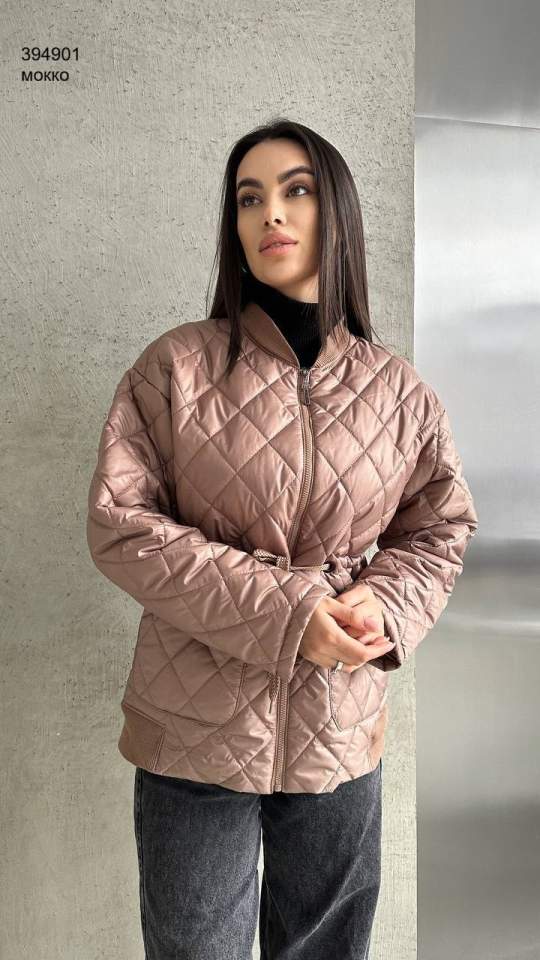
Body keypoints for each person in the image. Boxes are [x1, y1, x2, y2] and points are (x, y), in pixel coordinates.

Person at [86, 117, 478, 959]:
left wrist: (382, 603)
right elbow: (122, 526)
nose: (270, 213)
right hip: (193, 733)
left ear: (337, 211)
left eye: (296, 190)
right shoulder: (175, 369)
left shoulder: (399, 392)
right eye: (248, 198)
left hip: (339, 729)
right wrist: (292, 614)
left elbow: (440, 528)